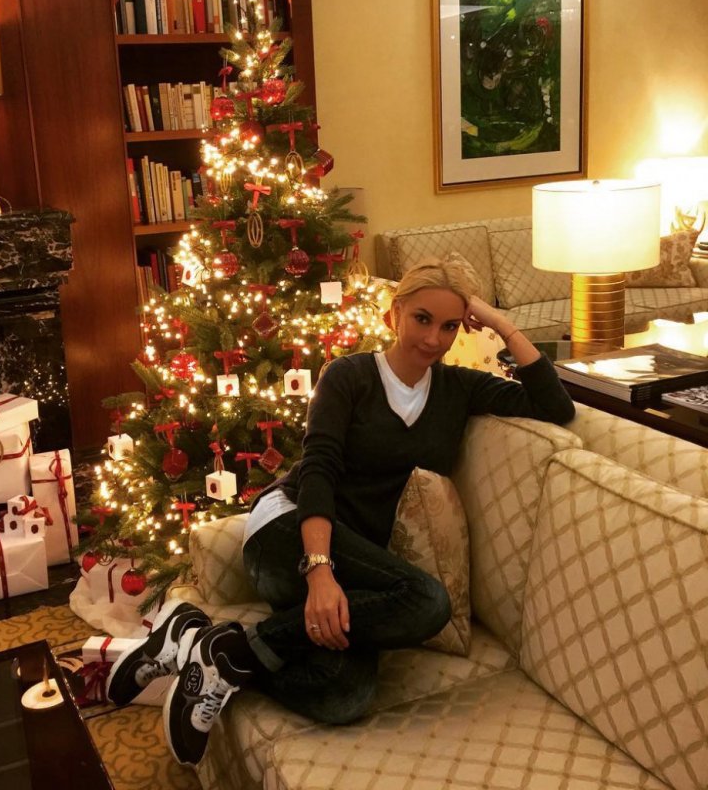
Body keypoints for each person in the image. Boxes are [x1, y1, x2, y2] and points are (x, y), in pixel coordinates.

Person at [106, 254, 576, 766]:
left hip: (358, 570)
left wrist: (501, 321)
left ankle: (205, 643)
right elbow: (319, 471)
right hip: (287, 533)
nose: (433, 339)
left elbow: (555, 407)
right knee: (427, 602)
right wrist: (320, 571)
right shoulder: (349, 376)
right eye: (422, 318)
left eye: (448, 325)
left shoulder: (460, 389)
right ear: (393, 314)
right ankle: (218, 648)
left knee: (345, 695)